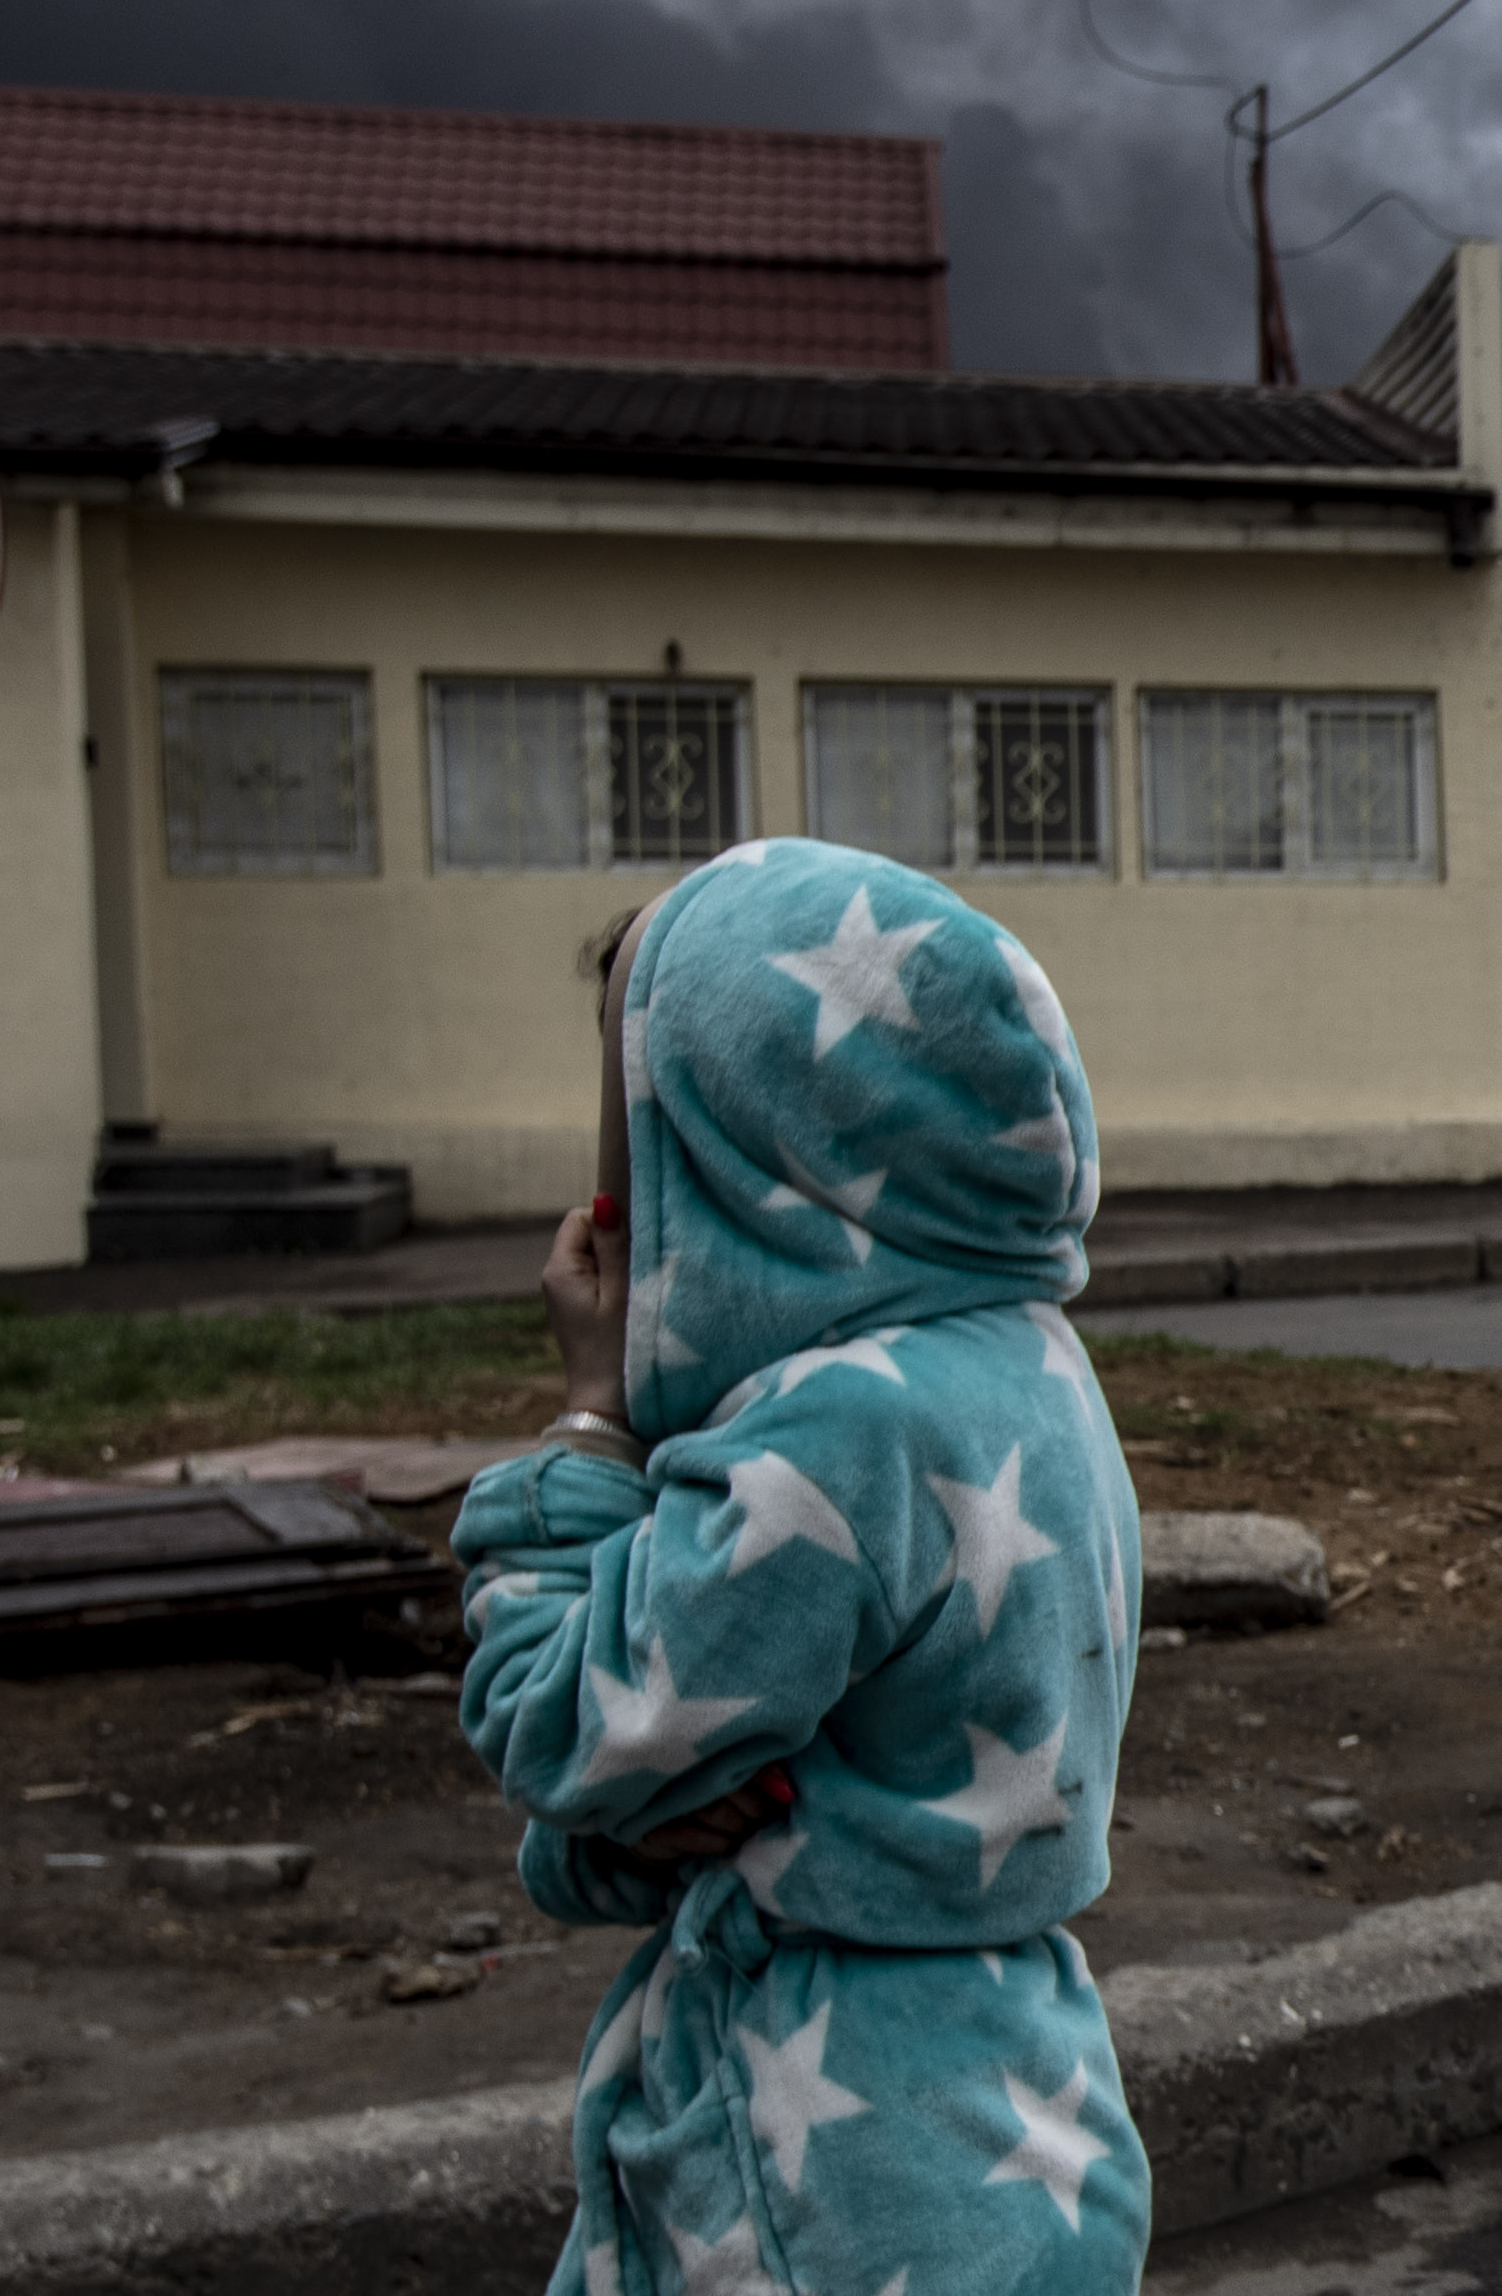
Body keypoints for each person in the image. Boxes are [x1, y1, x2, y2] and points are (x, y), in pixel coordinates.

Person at [454, 837, 1148, 2296]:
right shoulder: (1023, 1364)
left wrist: (585, 1431)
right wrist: (616, 1837)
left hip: (814, 2177)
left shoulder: (831, 1433)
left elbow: (559, 1723)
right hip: (1012, 2102)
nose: (610, 1190)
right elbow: (694, 1803)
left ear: (750, 1139)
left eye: (639, 1119)